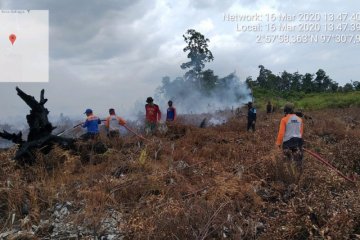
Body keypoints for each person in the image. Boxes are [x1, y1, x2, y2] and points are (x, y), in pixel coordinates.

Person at [276, 102, 304, 179]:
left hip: (287, 143)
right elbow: (301, 132)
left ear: (285, 110)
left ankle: (290, 178)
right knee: (298, 161)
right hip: (298, 142)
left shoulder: (284, 119)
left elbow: (281, 133)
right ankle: (299, 178)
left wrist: (278, 143)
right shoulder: (300, 119)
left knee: (287, 162)